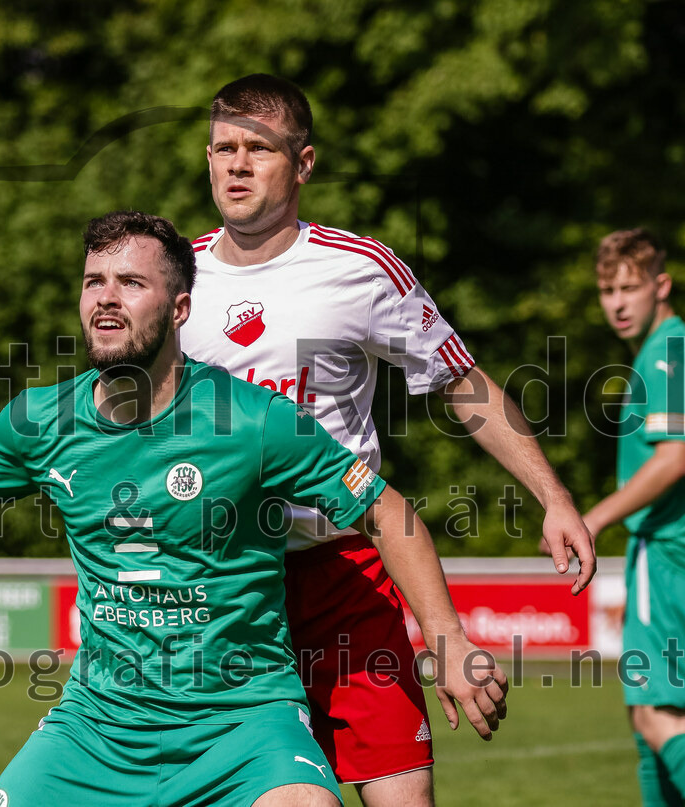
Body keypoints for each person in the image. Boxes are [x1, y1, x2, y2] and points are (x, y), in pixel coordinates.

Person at [0, 211, 505, 807]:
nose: (106, 297)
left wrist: (446, 636)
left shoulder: (252, 421)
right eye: (93, 281)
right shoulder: (44, 418)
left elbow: (387, 510)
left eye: (131, 282)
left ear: (179, 307)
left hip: (242, 723)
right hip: (98, 727)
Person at [178, 74, 595, 806]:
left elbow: (464, 384)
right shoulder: (172, 277)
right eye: (222, 148)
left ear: (303, 163)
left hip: (347, 574)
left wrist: (553, 497)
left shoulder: (360, 269)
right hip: (223, 585)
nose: (236, 165)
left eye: (258, 148)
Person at [584, 228, 685, 806]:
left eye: (629, 287)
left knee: (654, 716)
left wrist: (594, 518)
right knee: (646, 723)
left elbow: (673, 458)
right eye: (606, 290)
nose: (617, 302)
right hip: (665, 552)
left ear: (661, 285)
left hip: (667, 552)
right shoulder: (658, 351)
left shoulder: (668, 349)